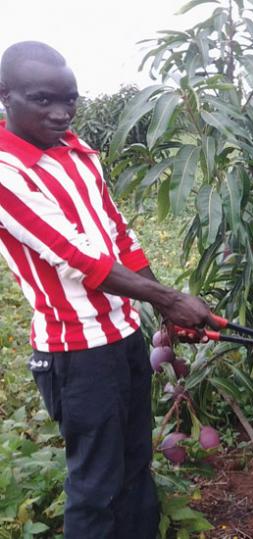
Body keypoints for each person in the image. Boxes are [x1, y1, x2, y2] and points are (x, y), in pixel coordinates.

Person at [0, 41, 214, 538]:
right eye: (43, 100)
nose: (61, 114)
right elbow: (79, 258)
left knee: (136, 466)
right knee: (95, 486)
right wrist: (170, 299)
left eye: (70, 100)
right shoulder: (7, 172)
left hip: (123, 336)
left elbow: (117, 234)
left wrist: (166, 309)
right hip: (76, 353)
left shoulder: (78, 153)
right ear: (5, 95)